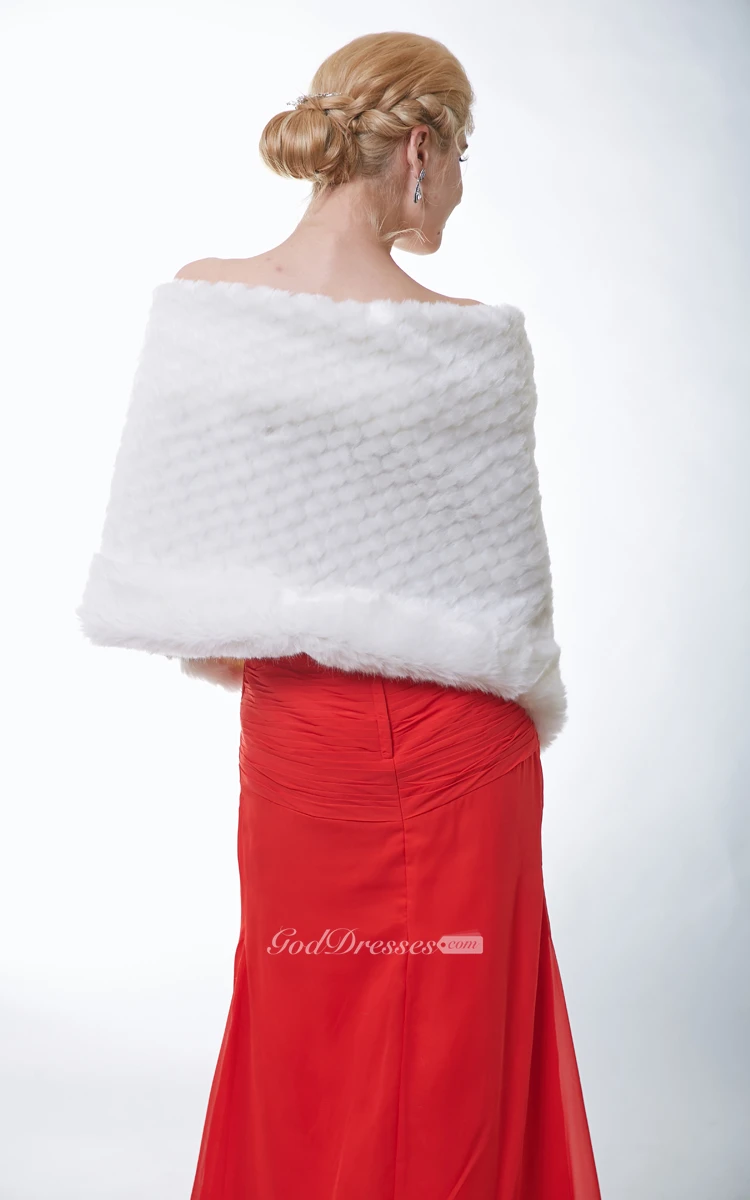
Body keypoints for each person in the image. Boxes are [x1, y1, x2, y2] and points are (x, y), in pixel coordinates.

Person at [77, 29, 602, 1200]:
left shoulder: (206, 303)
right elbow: (506, 603)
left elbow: (174, 536)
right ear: (420, 149)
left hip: (299, 741)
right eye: (462, 157)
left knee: (301, 1037)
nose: (459, 186)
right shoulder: (472, 344)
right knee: (458, 1061)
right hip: (462, 759)